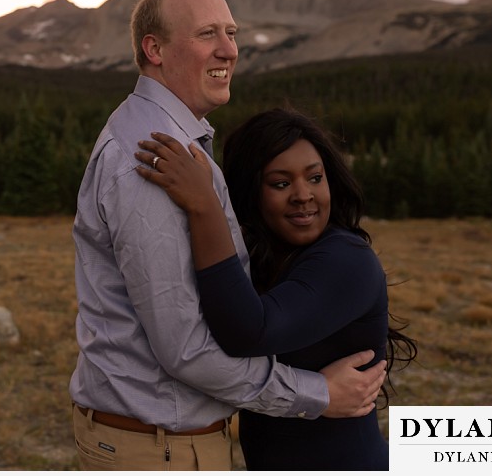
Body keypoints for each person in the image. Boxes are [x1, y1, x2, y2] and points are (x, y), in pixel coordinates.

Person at [69, 0, 387, 471]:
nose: (229, 50)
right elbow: (187, 351)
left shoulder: (175, 146)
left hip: (164, 441)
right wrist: (317, 393)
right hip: (158, 448)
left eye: (231, 33)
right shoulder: (154, 158)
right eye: (207, 34)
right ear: (154, 49)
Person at [134, 108, 419, 470]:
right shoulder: (267, 257)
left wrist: (205, 205)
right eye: (280, 183)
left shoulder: (347, 260)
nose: (303, 195)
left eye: (315, 178)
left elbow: (250, 332)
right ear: (251, 192)